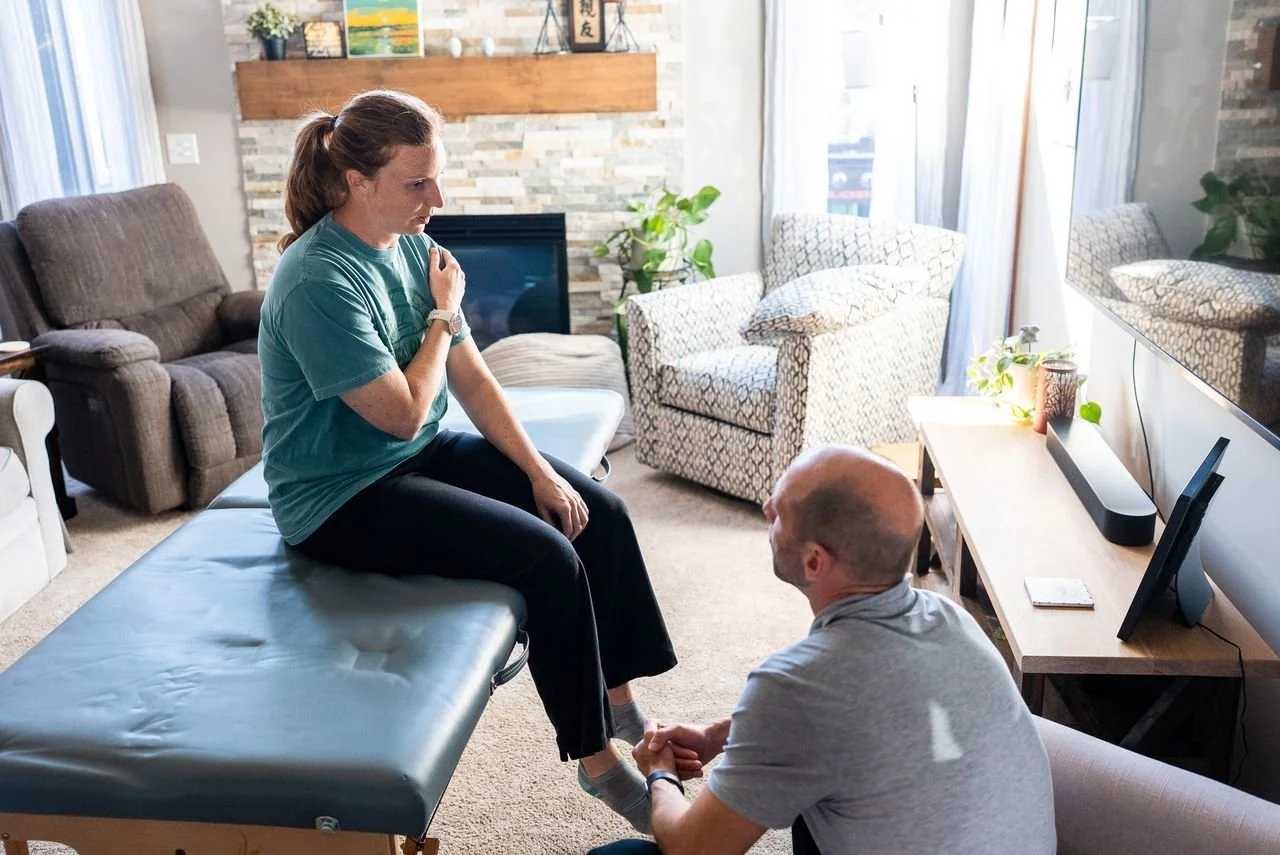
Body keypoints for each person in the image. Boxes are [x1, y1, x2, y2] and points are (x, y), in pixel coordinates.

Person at [258, 89, 688, 832]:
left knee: (600, 513)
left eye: (437, 177)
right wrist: (441, 313)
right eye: (416, 182)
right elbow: (397, 415)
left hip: (415, 456)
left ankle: (619, 703)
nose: (437, 197)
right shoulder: (318, 279)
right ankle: (598, 764)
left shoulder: (418, 248)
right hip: (336, 497)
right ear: (358, 182)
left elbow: (473, 378)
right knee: (548, 560)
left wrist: (539, 471)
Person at [592, 446, 1056, 854]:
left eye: (781, 510)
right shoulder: (949, 617)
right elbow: (844, 716)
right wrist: (720, 735)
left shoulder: (794, 686)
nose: (765, 506)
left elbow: (693, 848)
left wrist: (660, 774)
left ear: (815, 561)